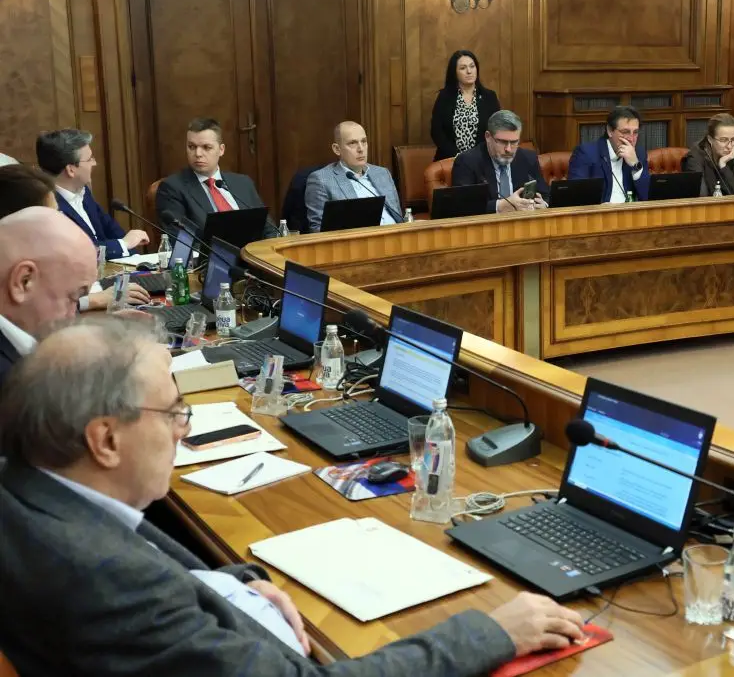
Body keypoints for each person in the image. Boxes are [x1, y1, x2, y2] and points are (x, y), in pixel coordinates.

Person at [0, 316, 587, 676]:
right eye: (173, 411)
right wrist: (492, 633)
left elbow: (145, 555)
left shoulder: (26, 491)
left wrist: (235, 582)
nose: (183, 428)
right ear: (105, 440)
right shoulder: (109, 582)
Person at [0, 207, 151, 384]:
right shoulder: (10, 381)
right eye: (74, 297)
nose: (73, 315)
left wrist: (99, 330)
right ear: (24, 281)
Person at [156, 118, 277, 239]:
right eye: (192, 147)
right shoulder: (172, 188)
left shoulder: (243, 183)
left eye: (206, 147)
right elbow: (180, 240)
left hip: (253, 250)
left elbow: (270, 230)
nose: (198, 154)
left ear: (221, 150)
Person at [36, 129, 150, 259]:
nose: (94, 163)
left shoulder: (83, 192)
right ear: (71, 169)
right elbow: (78, 252)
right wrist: (123, 244)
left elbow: (112, 230)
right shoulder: (47, 205)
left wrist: (139, 261)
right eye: (89, 159)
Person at [304, 121, 403, 233]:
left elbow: (400, 217)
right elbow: (318, 231)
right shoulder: (321, 180)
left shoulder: (382, 173)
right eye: (352, 143)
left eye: (364, 141)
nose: (361, 149)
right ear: (337, 149)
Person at [450, 110, 548, 213]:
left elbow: (546, 195)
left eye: (514, 142)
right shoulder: (467, 162)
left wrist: (543, 204)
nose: (508, 149)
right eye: (503, 142)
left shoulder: (528, 158)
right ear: (488, 137)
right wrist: (499, 206)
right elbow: (462, 206)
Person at [567, 106, 650, 203]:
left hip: (630, 211)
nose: (631, 139)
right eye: (625, 132)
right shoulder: (587, 153)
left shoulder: (638, 154)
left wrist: (636, 165)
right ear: (610, 131)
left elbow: (648, 197)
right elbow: (575, 196)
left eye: (635, 132)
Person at [430, 50, 502, 162]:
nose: (469, 71)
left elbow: (496, 129)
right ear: (454, 72)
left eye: (472, 66)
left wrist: (477, 156)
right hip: (450, 160)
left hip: (481, 160)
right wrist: (458, 156)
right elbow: (436, 132)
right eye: (463, 68)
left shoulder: (489, 97)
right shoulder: (444, 97)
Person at [682, 113, 734, 196]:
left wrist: (723, 167)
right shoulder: (695, 157)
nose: (729, 146)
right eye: (723, 140)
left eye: (733, 139)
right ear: (710, 139)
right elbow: (701, 196)